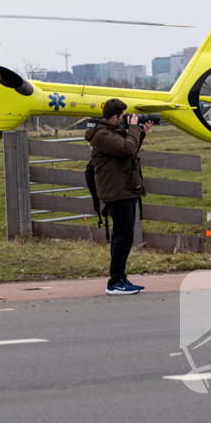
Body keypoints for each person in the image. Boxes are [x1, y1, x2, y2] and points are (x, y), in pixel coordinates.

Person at [85, 99, 153, 296]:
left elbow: (128, 153)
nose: (125, 120)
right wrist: (133, 128)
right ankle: (115, 282)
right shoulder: (102, 135)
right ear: (115, 117)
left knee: (123, 236)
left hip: (122, 189)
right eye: (123, 117)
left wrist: (140, 133)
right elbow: (126, 149)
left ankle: (120, 278)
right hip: (117, 192)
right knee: (123, 237)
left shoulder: (108, 132)